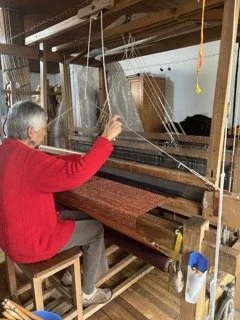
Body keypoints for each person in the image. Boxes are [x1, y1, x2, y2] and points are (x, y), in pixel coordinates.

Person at [0, 100, 122, 307]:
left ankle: (70, 275)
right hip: (31, 244)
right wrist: (106, 139)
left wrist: (84, 157)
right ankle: (88, 292)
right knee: (96, 229)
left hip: (11, 238)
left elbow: (50, 164)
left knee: (85, 218)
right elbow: (75, 175)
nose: (45, 133)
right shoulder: (29, 161)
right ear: (30, 132)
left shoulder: (6, 151)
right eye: (43, 129)